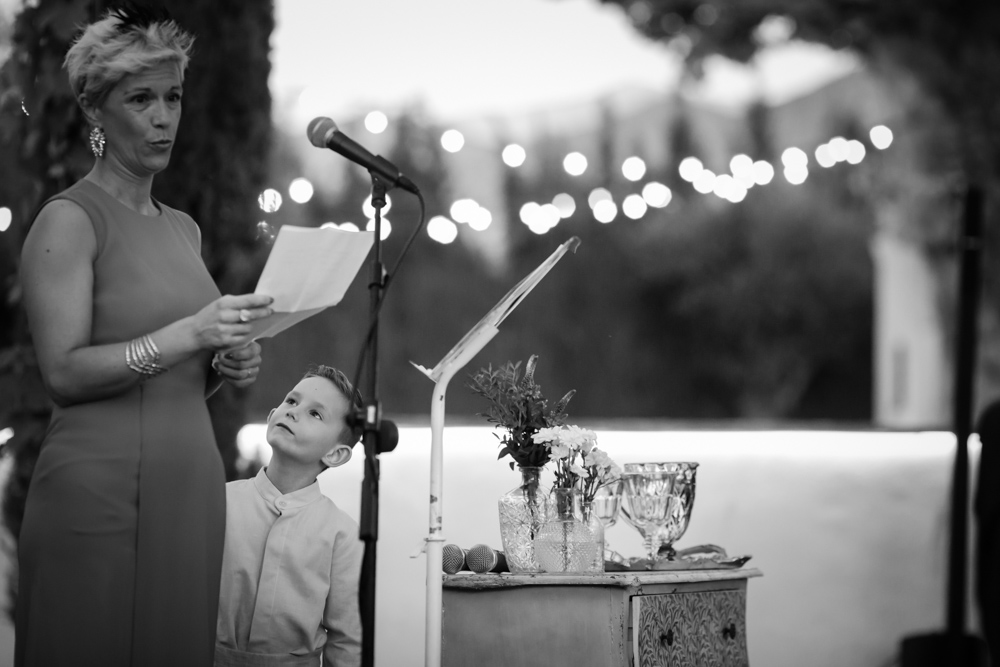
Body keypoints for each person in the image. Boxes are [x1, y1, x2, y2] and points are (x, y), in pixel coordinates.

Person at [16, 6, 273, 666]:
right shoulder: (69, 222)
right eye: (141, 99)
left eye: (173, 97)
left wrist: (226, 361)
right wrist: (188, 332)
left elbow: (184, 362)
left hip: (189, 495)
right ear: (96, 112)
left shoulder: (182, 228)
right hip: (98, 498)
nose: (164, 117)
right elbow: (65, 372)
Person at [215, 365, 363, 667]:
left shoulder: (342, 535)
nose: (293, 412)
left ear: (335, 454)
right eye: (291, 401)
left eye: (315, 414)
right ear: (272, 415)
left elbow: (347, 641)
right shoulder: (219, 502)